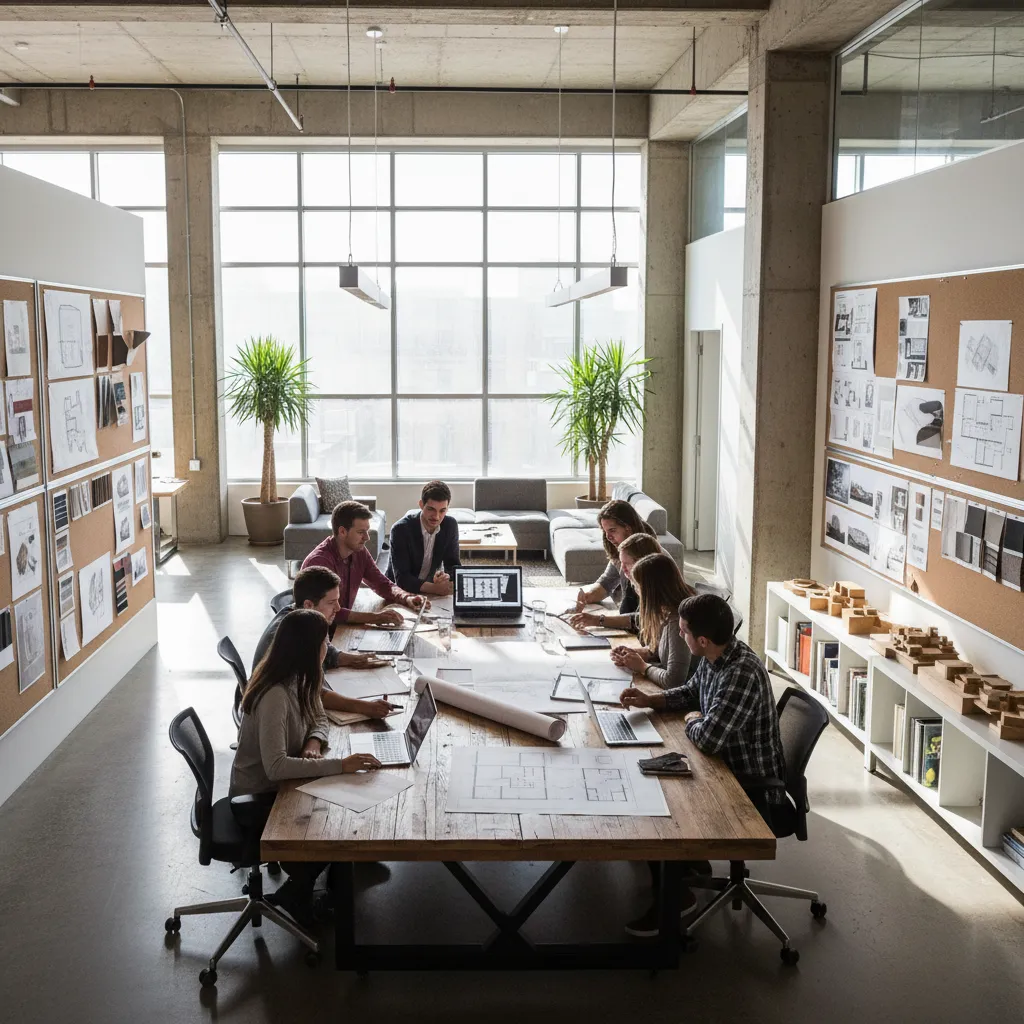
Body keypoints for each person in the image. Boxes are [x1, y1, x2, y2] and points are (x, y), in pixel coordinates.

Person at [619, 593, 786, 937]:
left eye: (683, 632)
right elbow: (691, 692)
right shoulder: (717, 656)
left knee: (659, 805)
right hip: (721, 766)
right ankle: (684, 867)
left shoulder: (740, 673)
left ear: (703, 640)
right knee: (651, 776)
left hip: (746, 784)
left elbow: (708, 738)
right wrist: (652, 700)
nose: (679, 636)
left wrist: (694, 718)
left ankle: (676, 896)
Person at [229, 609, 382, 926]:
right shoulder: (275, 695)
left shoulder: (300, 677)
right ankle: (299, 889)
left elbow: (320, 717)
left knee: (339, 804)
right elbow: (275, 768)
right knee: (334, 823)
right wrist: (340, 764)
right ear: (309, 648)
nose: (329, 646)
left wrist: (313, 743)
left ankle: (304, 887)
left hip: (282, 785)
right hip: (258, 800)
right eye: (325, 641)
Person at [252, 566, 396, 721]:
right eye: (331, 602)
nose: (338, 608)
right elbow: (311, 691)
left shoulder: (305, 618)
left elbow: (327, 650)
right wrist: (365, 706)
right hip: (280, 717)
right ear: (308, 605)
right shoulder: (293, 637)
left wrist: (355, 659)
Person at [302, 500, 425, 626]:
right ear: (342, 532)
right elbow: (327, 611)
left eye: (367, 531)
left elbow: (381, 583)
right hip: (320, 631)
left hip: (343, 626)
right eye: (361, 532)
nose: (367, 537)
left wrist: (406, 597)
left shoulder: (358, 551)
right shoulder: (319, 562)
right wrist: (375, 618)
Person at [609, 552, 694, 689]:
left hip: (684, 699)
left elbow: (673, 681)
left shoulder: (678, 622)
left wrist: (642, 666)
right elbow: (664, 650)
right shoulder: (666, 611)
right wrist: (634, 654)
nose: (636, 591)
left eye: (637, 586)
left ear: (651, 590)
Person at [571, 499, 657, 620]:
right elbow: (606, 583)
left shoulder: (653, 560)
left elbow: (647, 618)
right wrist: (586, 596)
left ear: (628, 528)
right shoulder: (622, 551)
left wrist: (600, 620)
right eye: (605, 531)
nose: (608, 537)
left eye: (612, 530)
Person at [568, 532, 661, 633]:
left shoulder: (657, 586)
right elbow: (606, 581)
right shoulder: (638, 582)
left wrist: (598, 620)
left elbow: (644, 620)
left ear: (642, 562)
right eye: (621, 563)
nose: (622, 569)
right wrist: (588, 597)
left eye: (627, 564)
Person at [388, 480, 461, 597]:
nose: (436, 517)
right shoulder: (400, 529)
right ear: (421, 504)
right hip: (398, 592)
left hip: (429, 589)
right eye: (431, 509)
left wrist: (445, 577)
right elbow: (402, 579)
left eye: (442, 511)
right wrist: (435, 588)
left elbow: (453, 566)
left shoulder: (450, 525)